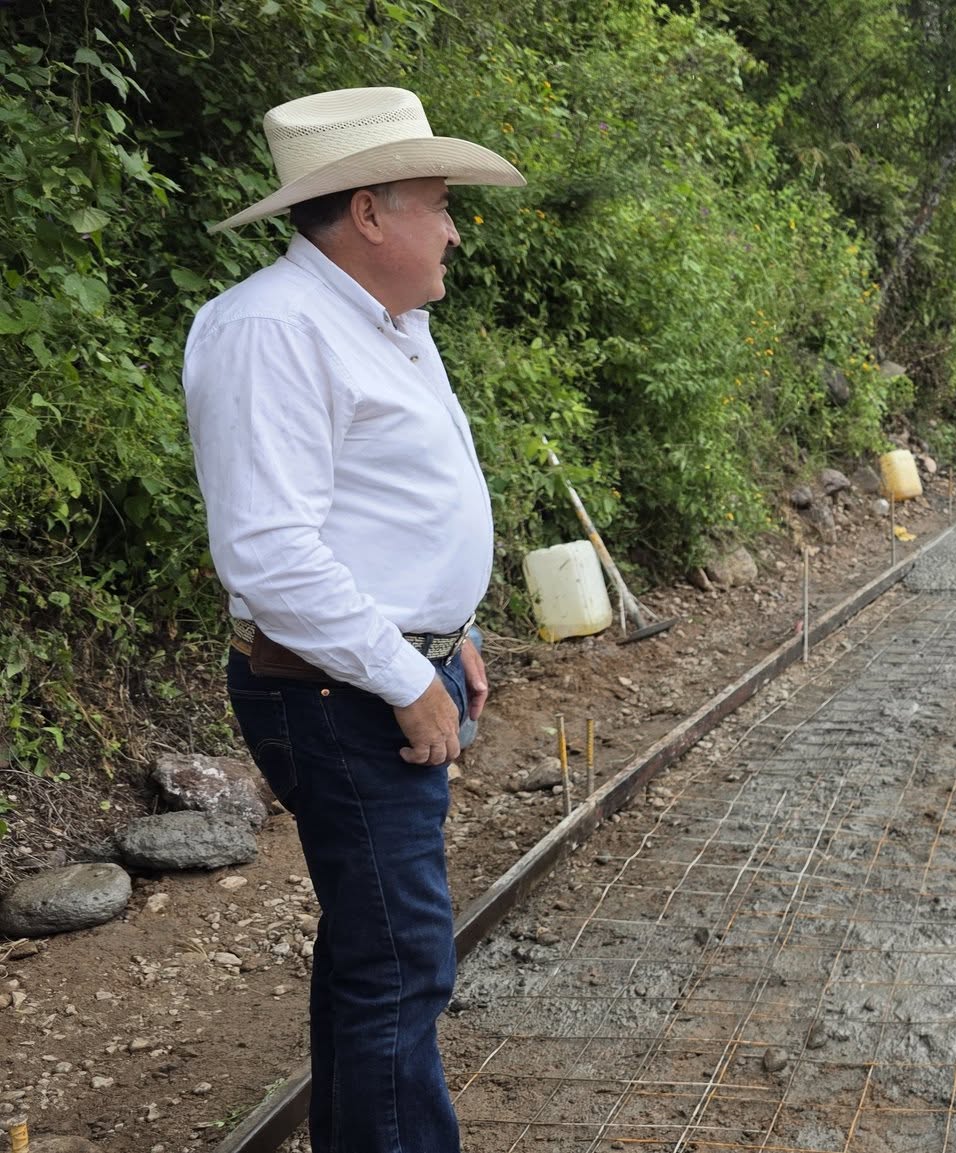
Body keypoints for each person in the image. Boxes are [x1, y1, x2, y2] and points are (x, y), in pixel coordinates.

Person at [182, 87, 523, 1153]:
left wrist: (443, 632)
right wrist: (403, 673)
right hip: (334, 690)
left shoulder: (390, 324)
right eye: (436, 202)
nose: (454, 226)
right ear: (369, 212)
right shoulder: (271, 329)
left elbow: (381, 513)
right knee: (403, 956)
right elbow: (271, 552)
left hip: (372, 670)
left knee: (376, 947)